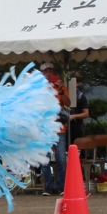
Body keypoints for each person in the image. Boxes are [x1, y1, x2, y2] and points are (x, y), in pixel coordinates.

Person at [39, 63, 69, 195]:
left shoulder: (60, 87)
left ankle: (61, 186)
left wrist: (61, 88)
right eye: (46, 72)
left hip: (59, 128)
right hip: (44, 127)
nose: (48, 74)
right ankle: (49, 187)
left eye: (51, 71)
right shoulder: (38, 88)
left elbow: (68, 103)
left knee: (61, 158)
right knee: (44, 160)